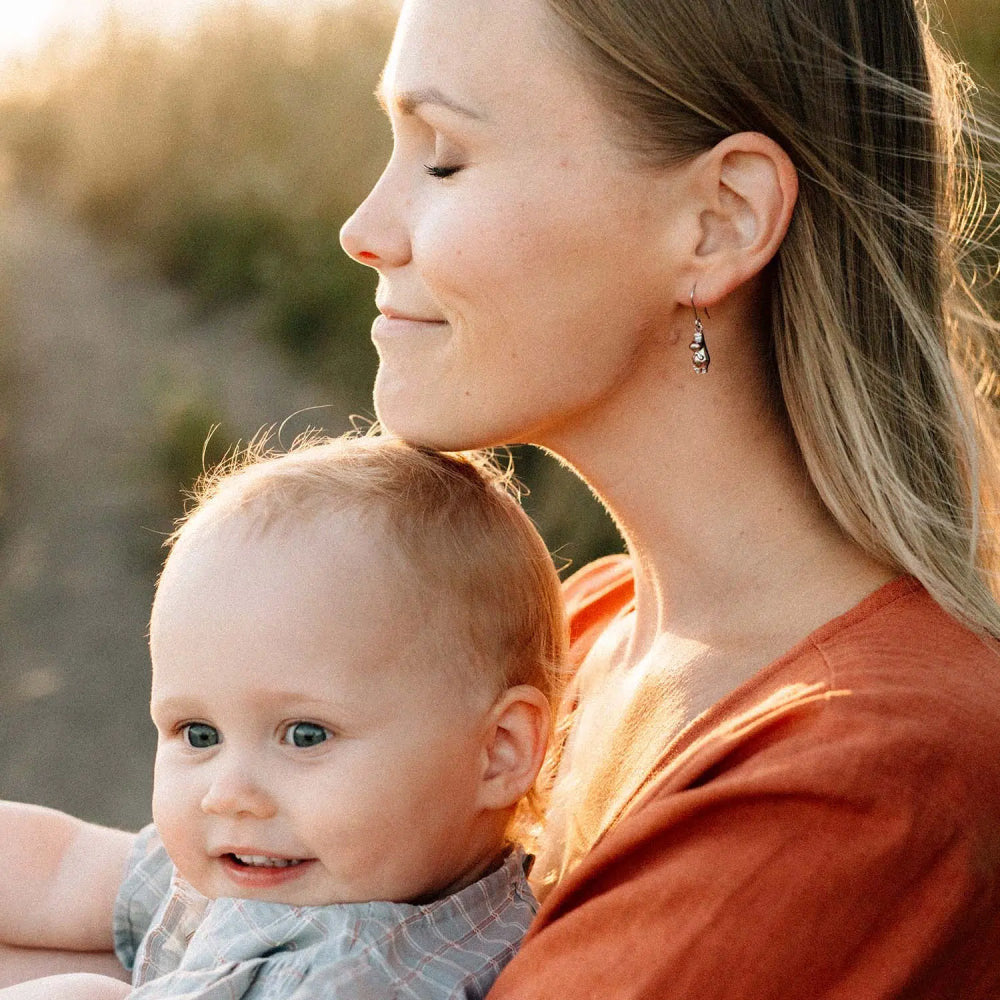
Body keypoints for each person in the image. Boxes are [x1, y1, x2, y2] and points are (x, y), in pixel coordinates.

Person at [336, 0, 1000, 995]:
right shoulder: (575, 637)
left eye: (443, 159)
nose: (362, 230)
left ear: (718, 218)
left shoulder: (866, 772)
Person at [0, 433, 566, 999]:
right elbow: (65, 868)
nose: (228, 793)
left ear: (498, 751)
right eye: (199, 734)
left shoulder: (349, 979)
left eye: (304, 735)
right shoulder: (299, 865)